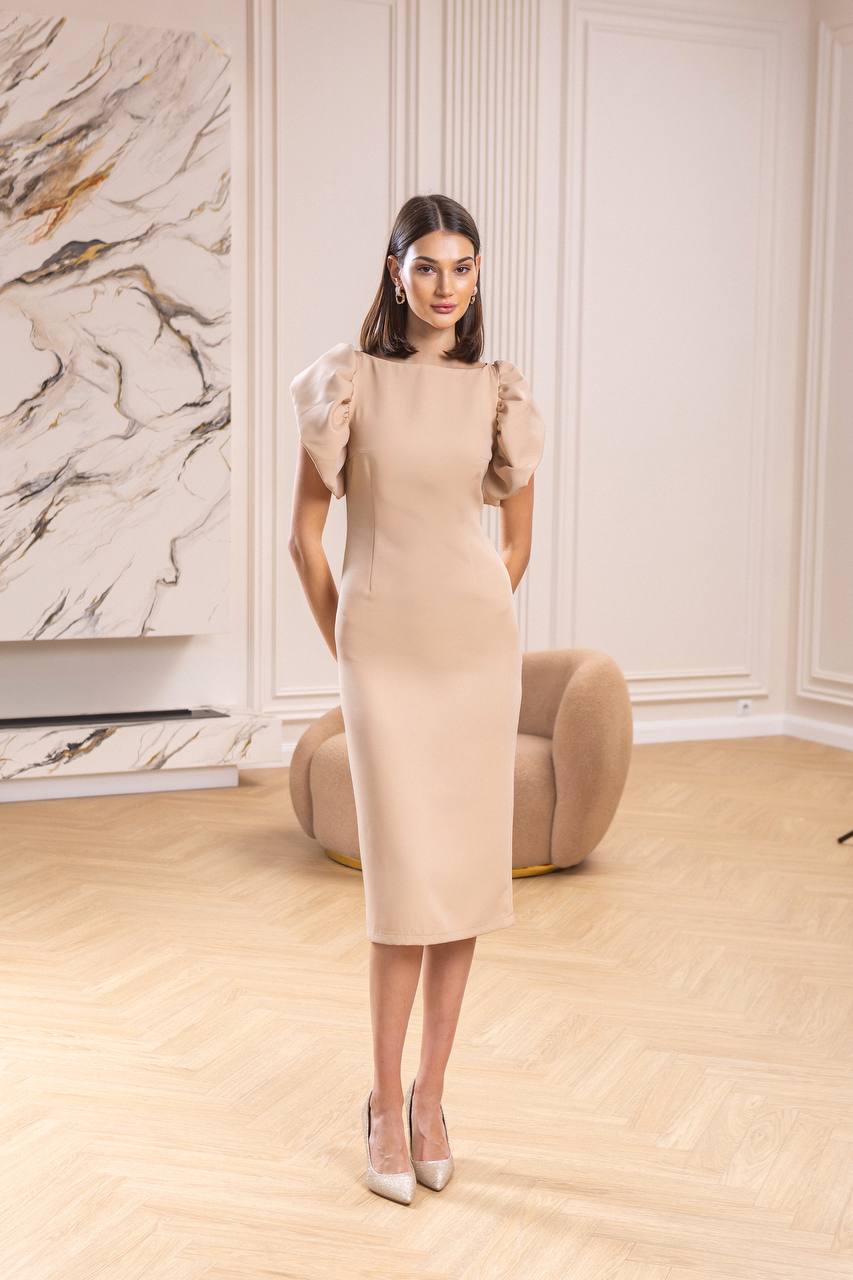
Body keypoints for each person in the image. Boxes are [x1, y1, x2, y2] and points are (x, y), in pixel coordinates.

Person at [289, 193, 545, 1204]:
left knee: (463, 882)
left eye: (463, 268)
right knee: (402, 891)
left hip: (473, 653)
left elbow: (515, 540)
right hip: (383, 656)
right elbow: (304, 540)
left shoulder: (498, 392)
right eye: (428, 266)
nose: (446, 285)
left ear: (477, 280)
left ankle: (432, 1097)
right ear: (394, 271)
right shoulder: (345, 385)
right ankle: (378, 1095)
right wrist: (349, 647)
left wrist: (481, 602)